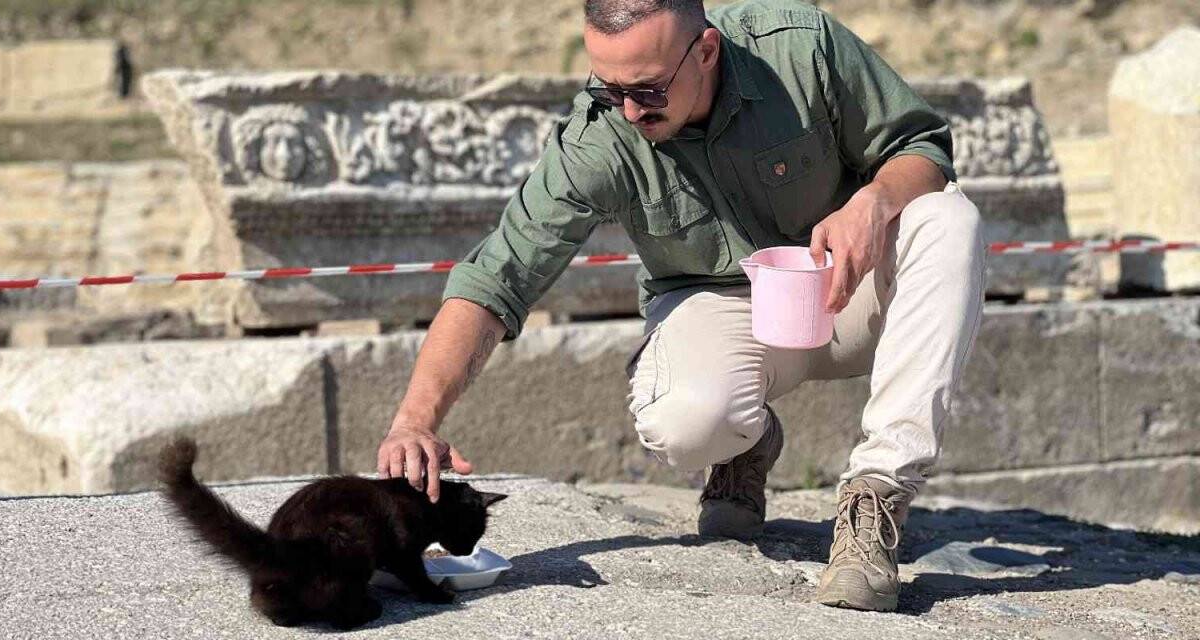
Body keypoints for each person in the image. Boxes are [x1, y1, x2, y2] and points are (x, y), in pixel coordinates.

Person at [375, 0, 985, 612]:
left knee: (947, 219)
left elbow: (923, 146)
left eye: (648, 90)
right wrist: (415, 421)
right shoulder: (600, 137)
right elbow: (495, 278)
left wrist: (877, 199)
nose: (630, 111)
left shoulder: (801, 49)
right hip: (727, 311)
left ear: (707, 51)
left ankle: (877, 495)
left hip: (850, 290)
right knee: (686, 423)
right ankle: (742, 443)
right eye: (611, 90)